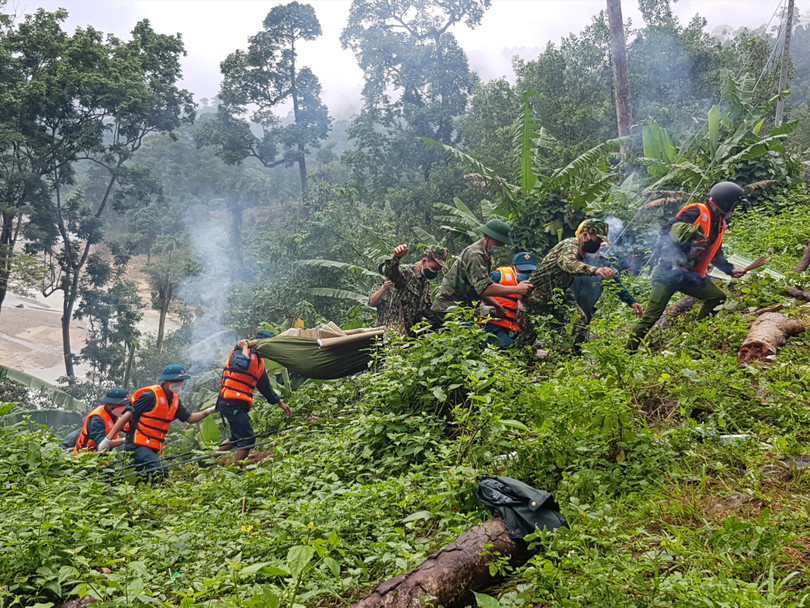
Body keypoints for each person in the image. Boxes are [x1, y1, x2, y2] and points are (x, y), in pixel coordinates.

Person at [626, 181, 748, 350]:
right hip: (668, 272)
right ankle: (628, 352)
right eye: (734, 205)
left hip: (689, 275)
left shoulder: (718, 223)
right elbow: (667, 230)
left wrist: (730, 269)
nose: (734, 209)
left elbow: (715, 252)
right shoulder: (697, 211)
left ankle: (696, 339)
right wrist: (684, 241)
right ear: (726, 202)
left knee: (717, 297)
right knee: (651, 317)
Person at [100, 364, 217, 481]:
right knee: (160, 470)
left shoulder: (174, 400)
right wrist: (108, 439)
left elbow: (189, 418)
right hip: (138, 444)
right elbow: (128, 415)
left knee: (142, 478)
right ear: (166, 381)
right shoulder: (150, 396)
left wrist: (209, 410)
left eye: (181, 380)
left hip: (153, 446)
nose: (179, 383)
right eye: (175, 380)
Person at [519, 219, 616, 349]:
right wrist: (595, 270)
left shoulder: (581, 251)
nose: (598, 244)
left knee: (579, 319)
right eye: (597, 240)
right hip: (536, 297)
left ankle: (570, 355)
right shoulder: (570, 245)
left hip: (557, 295)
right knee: (527, 336)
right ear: (585, 235)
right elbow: (568, 264)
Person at [431, 219, 533, 321]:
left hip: (462, 309)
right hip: (448, 309)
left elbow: (479, 288)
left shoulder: (486, 256)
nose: (500, 247)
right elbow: (485, 288)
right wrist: (516, 289)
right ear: (486, 237)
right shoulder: (475, 255)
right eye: (498, 242)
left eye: (502, 244)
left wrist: (497, 306)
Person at [216, 330, 292, 463]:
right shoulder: (239, 352)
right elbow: (242, 364)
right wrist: (244, 347)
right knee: (247, 439)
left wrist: (280, 403)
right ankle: (236, 472)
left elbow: (265, 387)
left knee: (236, 437)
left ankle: (205, 461)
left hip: (239, 404)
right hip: (230, 401)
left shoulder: (259, 362)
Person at [570, 239, 644, 324]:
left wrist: (632, 302)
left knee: (581, 331)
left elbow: (616, 285)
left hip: (586, 310)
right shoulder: (572, 258)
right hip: (566, 307)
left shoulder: (603, 263)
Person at [380, 244, 448, 335]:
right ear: (424, 261)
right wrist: (396, 257)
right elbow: (390, 273)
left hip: (414, 333)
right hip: (397, 334)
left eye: (437, 270)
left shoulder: (424, 282)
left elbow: (427, 309)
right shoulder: (407, 272)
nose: (435, 272)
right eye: (434, 268)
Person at [484, 252, 538, 348]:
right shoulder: (499, 276)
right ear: (514, 267)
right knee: (513, 351)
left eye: (529, 271)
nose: (526, 274)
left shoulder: (531, 284)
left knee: (530, 348)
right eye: (523, 270)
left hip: (513, 330)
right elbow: (480, 288)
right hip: (494, 326)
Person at [72, 387, 130, 453]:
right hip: (84, 459)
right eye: (121, 405)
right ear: (110, 405)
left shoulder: (116, 415)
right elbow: (102, 444)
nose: (124, 407)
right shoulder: (97, 419)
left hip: (101, 459)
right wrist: (125, 440)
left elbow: (128, 427)